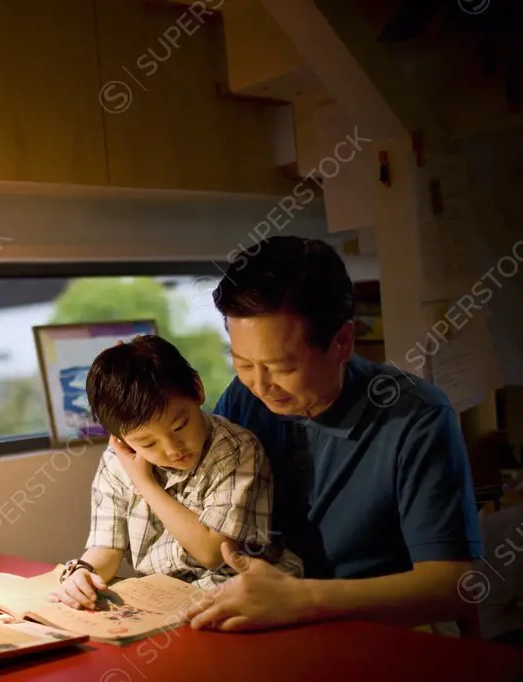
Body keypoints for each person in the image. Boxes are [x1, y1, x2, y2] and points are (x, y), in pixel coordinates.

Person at [175, 235, 483, 633]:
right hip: (263, 625)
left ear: (341, 341)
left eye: (281, 367)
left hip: (379, 632)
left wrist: (303, 600)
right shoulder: (243, 399)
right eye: (242, 363)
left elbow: (454, 586)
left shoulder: (416, 417)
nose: (261, 385)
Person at [49, 335, 302, 611]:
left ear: (197, 389)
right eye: (148, 443)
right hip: (164, 599)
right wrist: (84, 572)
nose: (172, 449)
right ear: (120, 439)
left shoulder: (235, 450)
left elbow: (211, 553)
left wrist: (145, 483)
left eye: (180, 426)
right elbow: (107, 548)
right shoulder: (118, 460)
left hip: (243, 593)